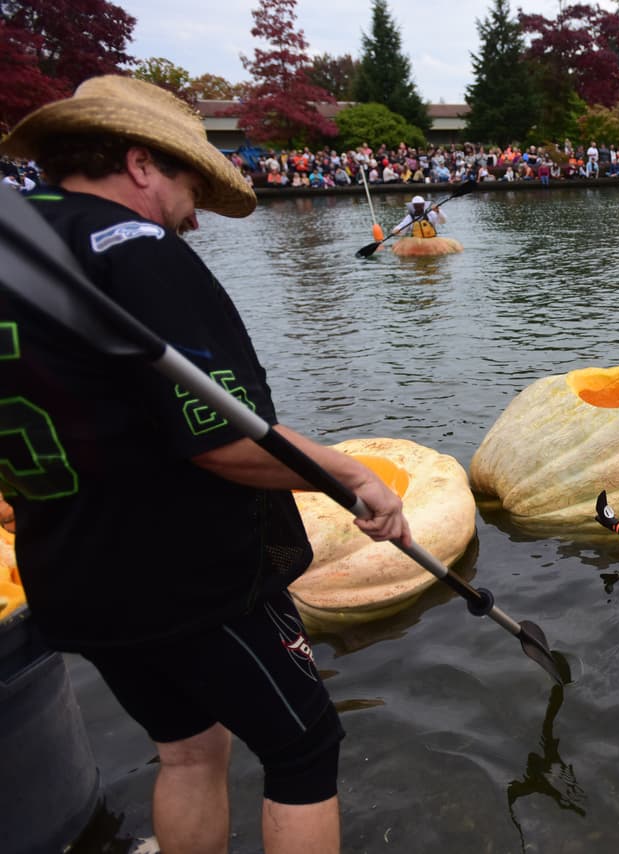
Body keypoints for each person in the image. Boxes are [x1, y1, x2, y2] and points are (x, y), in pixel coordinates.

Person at [0, 76, 411, 854]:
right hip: (185, 574)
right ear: (142, 163)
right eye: (192, 185)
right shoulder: (135, 250)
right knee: (303, 749)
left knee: (189, 748)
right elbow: (224, 439)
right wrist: (352, 475)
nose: (194, 216)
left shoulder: (14, 245)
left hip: (69, 569)